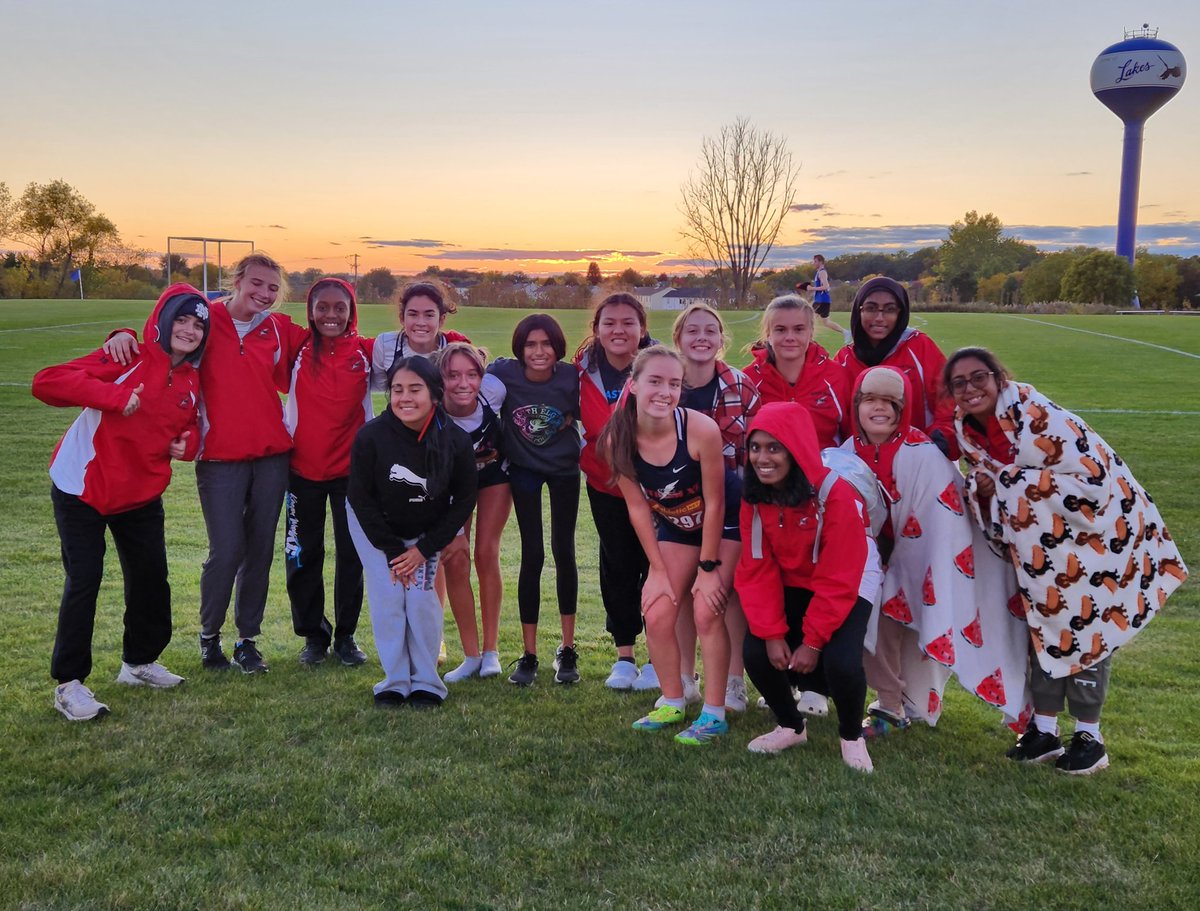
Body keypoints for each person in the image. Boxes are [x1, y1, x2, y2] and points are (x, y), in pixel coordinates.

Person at [946, 347, 1188, 774]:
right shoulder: (970, 432)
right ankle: (1043, 730)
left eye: (978, 377)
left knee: (1087, 630)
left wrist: (1002, 482)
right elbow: (993, 492)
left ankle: (1090, 737)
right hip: (1041, 550)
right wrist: (984, 488)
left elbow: (1092, 482)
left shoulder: (1040, 418)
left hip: (1093, 537)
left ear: (999, 378)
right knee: (1042, 628)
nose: (970, 389)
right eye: (959, 383)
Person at [103, 252, 309, 673]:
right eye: (256, 283)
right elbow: (160, 336)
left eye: (273, 288)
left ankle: (247, 640)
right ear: (237, 280)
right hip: (219, 459)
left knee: (259, 552)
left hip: (272, 456)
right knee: (227, 549)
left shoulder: (278, 328)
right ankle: (209, 636)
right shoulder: (206, 320)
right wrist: (120, 332)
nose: (264, 294)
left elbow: (330, 338)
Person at [33, 284, 209, 720]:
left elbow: (189, 429)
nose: (189, 330)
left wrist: (187, 444)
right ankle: (69, 684)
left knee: (152, 579)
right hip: (83, 487)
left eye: (198, 324)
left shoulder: (191, 380)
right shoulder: (126, 356)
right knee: (85, 579)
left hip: (139, 494)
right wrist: (111, 395)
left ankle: (139, 663)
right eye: (182, 319)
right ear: (164, 321)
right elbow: (47, 382)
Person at [844, 366, 1029, 737]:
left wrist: (898, 564)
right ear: (856, 406)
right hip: (870, 564)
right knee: (868, 622)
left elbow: (942, 520)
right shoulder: (847, 453)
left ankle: (906, 703)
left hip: (922, 560)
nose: (878, 409)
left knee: (916, 623)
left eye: (889, 402)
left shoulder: (925, 453)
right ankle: (890, 702)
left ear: (903, 407)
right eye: (870, 401)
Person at [598, 346, 740, 744]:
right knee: (657, 611)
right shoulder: (617, 439)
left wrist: (708, 570)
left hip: (726, 522)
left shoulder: (699, 429)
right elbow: (639, 510)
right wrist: (658, 571)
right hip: (677, 526)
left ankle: (714, 713)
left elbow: (715, 504)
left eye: (674, 384)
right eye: (655, 381)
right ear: (634, 385)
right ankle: (672, 700)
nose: (664, 391)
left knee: (707, 610)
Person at [736, 402, 878, 772]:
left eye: (774, 447)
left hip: (849, 577)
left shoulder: (836, 494)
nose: (762, 458)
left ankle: (850, 735)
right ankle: (791, 725)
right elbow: (756, 567)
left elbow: (839, 575)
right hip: (794, 577)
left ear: (796, 448)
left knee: (841, 660)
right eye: (755, 447)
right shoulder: (754, 496)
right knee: (755, 651)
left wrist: (813, 641)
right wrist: (771, 633)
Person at [346, 356, 478, 709]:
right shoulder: (371, 436)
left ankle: (426, 682)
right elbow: (360, 497)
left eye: (415, 389)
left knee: (421, 601)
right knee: (390, 599)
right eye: (397, 390)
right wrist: (391, 551)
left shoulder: (455, 440)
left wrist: (424, 548)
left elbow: (464, 500)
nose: (405, 397)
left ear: (435, 394)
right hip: (375, 530)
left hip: (425, 535)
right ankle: (394, 680)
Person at [671, 304, 759, 712]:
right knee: (684, 591)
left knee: (726, 592)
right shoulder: (665, 383)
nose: (701, 337)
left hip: (728, 502)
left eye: (710, 330)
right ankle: (685, 677)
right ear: (678, 339)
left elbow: (755, 449)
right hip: (676, 503)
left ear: (723, 339)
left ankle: (733, 682)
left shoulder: (742, 387)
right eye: (692, 330)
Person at [283, 277, 373, 668]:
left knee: (352, 555)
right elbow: (235, 324)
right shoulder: (296, 347)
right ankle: (313, 636)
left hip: (353, 473)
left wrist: (452, 328)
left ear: (351, 311)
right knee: (303, 554)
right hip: (301, 470)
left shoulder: (368, 351)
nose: (331, 315)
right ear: (311, 310)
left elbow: (424, 343)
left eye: (340, 308)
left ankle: (347, 637)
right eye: (323, 307)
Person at [488, 315, 582, 686]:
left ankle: (567, 648)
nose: (539, 352)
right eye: (531, 344)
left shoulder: (570, 377)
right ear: (519, 348)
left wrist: (570, 415)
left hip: (563, 469)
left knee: (564, 551)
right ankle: (529, 654)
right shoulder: (504, 373)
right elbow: (464, 377)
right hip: (524, 469)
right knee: (533, 554)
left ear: (557, 347)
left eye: (546, 344)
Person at [576, 292, 658, 690]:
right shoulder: (580, 371)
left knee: (658, 567)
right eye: (609, 322)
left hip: (658, 489)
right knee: (618, 566)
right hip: (605, 486)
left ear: (643, 329)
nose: (619, 330)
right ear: (597, 329)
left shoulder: (660, 366)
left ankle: (661, 657)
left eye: (628, 322)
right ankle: (624, 655)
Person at [433, 342, 512, 682]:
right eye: (453, 376)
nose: (463, 383)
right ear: (440, 380)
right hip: (453, 486)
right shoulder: (432, 409)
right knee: (455, 556)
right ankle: (470, 654)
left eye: (471, 374)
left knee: (485, 552)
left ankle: (492, 651)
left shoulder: (494, 391)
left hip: (494, 475)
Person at [836, 277, 956, 457]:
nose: (879, 318)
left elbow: (948, 399)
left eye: (890, 310)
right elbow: (834, 416)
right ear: (858, 311)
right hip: (862, 463)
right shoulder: (844, 359)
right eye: (871, 308)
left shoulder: (919, 346)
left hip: (917, 458)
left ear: (901, 313)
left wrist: (940, 440)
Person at [742, 294, 850, 450]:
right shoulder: (748, 381)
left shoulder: (836, 376)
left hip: (822, 471)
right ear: (768, 335)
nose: (790, 337)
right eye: (780, 330)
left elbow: (851, 438)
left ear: (810, 333)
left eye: (799, 329)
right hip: (767, 472)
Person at [370, 281, 470, 386]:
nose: (421, 323)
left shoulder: (455, 349)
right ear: (402, 318)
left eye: (429, 315)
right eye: (413, 314)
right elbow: (381, 386)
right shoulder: (385, 345)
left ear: (441, 320)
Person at [796, 254, 850, 343]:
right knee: (826, 322)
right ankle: (846, 332)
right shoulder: (819, 272)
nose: (813, 263)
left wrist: (811, 288)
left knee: (809, 319)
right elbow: (822, 287)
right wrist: (810, 288)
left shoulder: (822, 272)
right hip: (822, 300)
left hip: (821, 300)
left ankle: (808, 340)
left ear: (820, 262)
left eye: (815, 261)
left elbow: (826, 286)